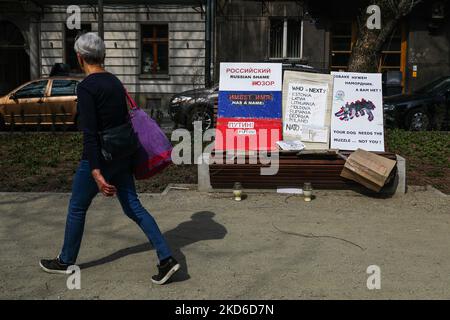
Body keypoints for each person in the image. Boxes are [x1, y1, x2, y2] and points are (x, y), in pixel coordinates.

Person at [39, 32, 180, 285]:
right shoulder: (115, 82)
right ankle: (166, 258)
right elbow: (123, 121)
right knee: (134, 207)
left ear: (80, 57)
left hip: (100, 158)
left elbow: (90, 133)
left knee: (77, 207)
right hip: (123, 154)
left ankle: (65, 260)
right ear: (101, 55)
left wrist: (95, 171)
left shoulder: (86, 87)